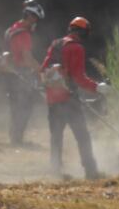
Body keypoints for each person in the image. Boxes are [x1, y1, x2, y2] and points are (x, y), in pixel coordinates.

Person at [39, 16, 108, 179]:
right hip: (68, 101)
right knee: (82, 136)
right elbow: (79, 78)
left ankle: (55, 172)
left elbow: (43, 70)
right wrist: (98, 88)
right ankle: (91, 172)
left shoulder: (55, 44)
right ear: (83, 32)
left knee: (56, 137)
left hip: (52, 99)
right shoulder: (76, 48)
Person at [1, 0, 45, 145]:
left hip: (10, 73)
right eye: (36, 19)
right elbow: (27, 58)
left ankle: (14, 136)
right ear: (30, 16)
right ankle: (17, 139)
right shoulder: (24, 34)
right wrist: (41, 70)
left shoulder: (11, 29)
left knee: (15, 106)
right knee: (25, 106)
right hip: (21, 74)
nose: (36, 23)